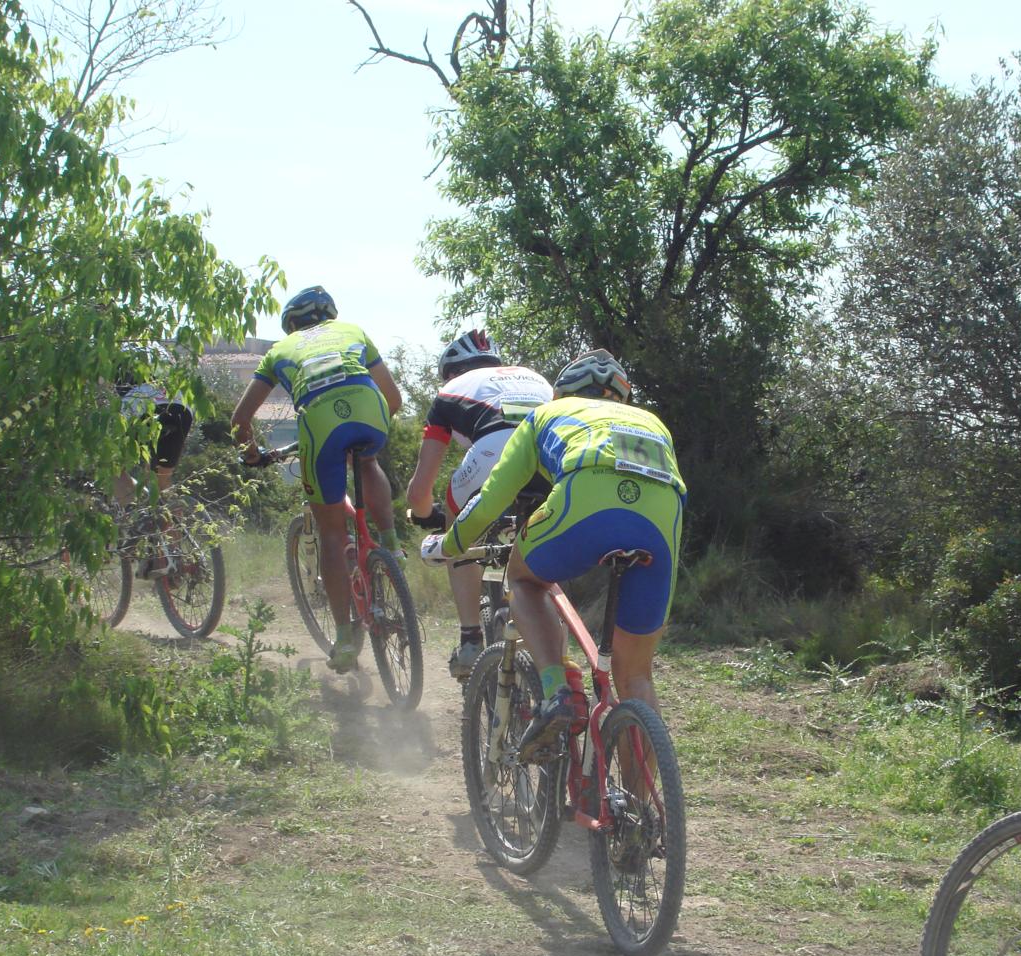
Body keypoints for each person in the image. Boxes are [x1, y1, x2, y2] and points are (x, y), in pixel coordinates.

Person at [420, 348, 686, 760]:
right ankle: (642, 817)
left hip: (586, 499)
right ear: (622, 399)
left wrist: (450, 545)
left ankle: (557, 692)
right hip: (661, 521)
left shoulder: (545, 415)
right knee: (635, 677)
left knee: (525, 579)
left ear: (560, 393)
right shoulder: (653, 423)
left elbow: (491, 498)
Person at [232, 285, 403, 673]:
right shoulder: (353, 331)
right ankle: (391, 545)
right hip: (369, 409)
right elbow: (393, 398)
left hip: (320, 423)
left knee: (331, 533)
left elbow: (240, 420)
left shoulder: (279, 350)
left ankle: (344, 639)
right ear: (329, 315)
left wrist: (252, 455)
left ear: (291, 325)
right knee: (367, 461)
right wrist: (367, 431)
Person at [405, 329, 553, 680]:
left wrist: (425, 515)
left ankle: (470, 637)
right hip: (552, 448)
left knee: (457, 520)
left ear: (452, 372)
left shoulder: (450, 392)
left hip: (494, 451)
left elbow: (419, 488)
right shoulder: (535, 378)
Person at [113, 342, 193, 506]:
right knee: (161, 483)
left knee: (110, 468)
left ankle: (135, 517)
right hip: (180, 406)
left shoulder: (113, 348)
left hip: (139, 403)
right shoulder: (155, 345)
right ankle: (175, 527)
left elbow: (100, 390)